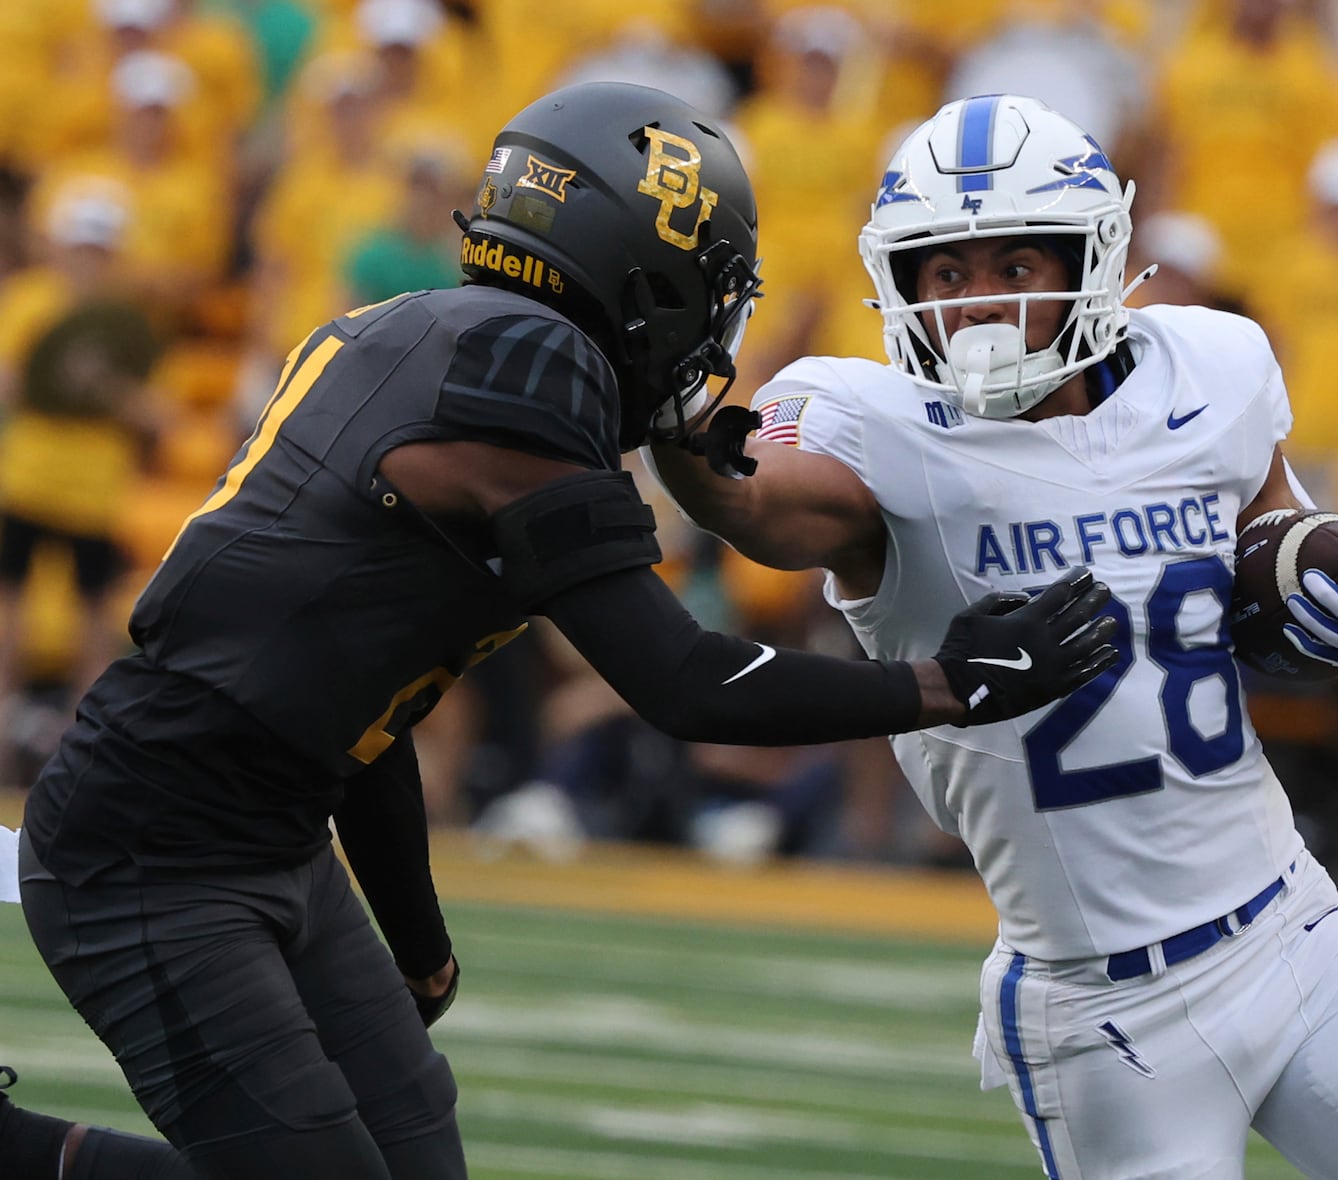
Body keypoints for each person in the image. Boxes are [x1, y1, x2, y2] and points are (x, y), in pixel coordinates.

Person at [0, 83, 1120, 1180]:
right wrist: (951, 682)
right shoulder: (526, 377)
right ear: (639, 274)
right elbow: (688, 683)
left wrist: (416, 931)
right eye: (706, 284)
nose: (712, 321)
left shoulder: (417, 331)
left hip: (263, 823)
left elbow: (360, 705)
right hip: (150, 852)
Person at [646, 93, 1338, 1179]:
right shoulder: (876, 426)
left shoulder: (1210, 369)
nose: (978, 303)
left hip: (1297, 926)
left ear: (1087, 258)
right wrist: (670, 399)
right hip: (1110, 1010)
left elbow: (1267, 533)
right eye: (946, 273)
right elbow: (752, 500)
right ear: (901, 281)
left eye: (1012, 266)